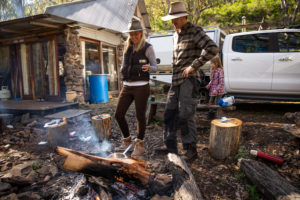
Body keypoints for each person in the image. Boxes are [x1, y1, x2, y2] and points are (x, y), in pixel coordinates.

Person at [161, 2, 219, 160]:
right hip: (175, 80)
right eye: (172, 19)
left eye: (176, 19)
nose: (173, 22)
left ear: (184, 17)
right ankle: (170, 145)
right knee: (169, 113)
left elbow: (212, 48)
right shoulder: (175, 34)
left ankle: (191, 150)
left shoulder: (195, 31)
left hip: (189, 80)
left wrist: (193, 66)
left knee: (186, 114)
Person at [114, 18, 158, 158]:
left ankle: (140, 145)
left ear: (141, 33)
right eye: (131, 35)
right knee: (118, 114)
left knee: (140, 116)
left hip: (141, 87)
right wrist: (122, 70)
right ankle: (127, 141)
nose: (134, 37)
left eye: (136, 34)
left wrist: (149, 67)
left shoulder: (148, 47)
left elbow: (155, 68)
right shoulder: (127, 47)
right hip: (127, 86)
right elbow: (122, 65)